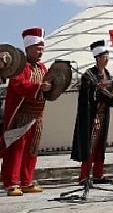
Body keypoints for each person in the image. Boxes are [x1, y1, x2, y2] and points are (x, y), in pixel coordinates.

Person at [1, 28, 50, 196]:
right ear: (28, 48)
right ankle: (11, 183)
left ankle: (27, 181)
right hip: (21, 116)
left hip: (37, 116)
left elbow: (52, 83)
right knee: (16, 149)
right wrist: (38, 87)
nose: (40, 51)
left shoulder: (43, 67)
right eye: (37, 48)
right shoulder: (19, 67)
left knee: (32, 149)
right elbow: (19, 85)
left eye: (42, 48)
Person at [71, 40, 113, 184]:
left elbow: (108, 93)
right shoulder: (88, 75)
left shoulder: (107, 74)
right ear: (97, 58)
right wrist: (93, 116)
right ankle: (84, 176)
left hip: (104, 114)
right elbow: (85, 99)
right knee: (90, 145)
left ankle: (98, 174)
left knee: (101, 145)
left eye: (107, 55)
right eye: (104, 56)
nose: (107, 58)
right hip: (92, 115)